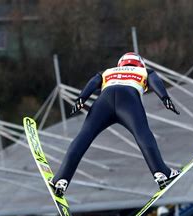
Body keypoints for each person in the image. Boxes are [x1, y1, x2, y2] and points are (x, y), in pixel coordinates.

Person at [49, 52, 181, 196]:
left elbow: (93, 82)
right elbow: (155, 82)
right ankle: (161, 173)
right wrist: (164, 98)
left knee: (83, 137)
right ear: (140, 64)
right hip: (128, 101)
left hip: (103, 102)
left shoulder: (107, 72)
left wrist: (81, 98)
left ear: (121, 64)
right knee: (143, 134)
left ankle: (61, 179)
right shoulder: (145, 71)